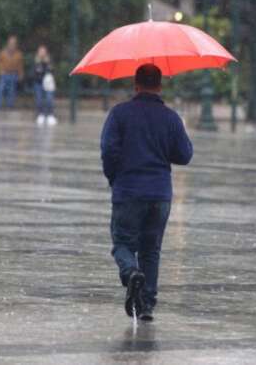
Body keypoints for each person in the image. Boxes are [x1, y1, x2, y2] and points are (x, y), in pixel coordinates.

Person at [101, 64, 193, 321]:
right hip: (160, 194)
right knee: (151, 250)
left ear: (135, 84)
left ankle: (131, 273)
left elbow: (108, 150)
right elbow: (184, 155)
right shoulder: (171, 118)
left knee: (122, 244)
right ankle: (146, 306)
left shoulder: (119, 114)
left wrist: (113, 177)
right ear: (160, 86)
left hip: (128, 191)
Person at [0, 36, 24, 110]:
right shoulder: (2, 52)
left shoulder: (19, 54)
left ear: (16, 44)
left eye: (14, 43)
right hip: (4, 74)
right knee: (0, 89)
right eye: (11, 42)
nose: (12, 44)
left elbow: (20, 65)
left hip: (13, 74)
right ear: (8, 43)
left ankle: (10, 106)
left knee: (12, 91)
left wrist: (21, 74)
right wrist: (0, 70)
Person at [32, 45, 57, 126]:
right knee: (39, 99)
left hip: (48, 84)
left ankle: (50, 115)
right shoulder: (35, 61)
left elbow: (51, 71)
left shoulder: (49, 61)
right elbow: (34, 73)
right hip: (38, 83)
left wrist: (46, 63)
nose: (42, 53)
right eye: (40, 51)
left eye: (43, 51)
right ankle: (40, 114)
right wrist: (38, 64)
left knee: (49, 99)